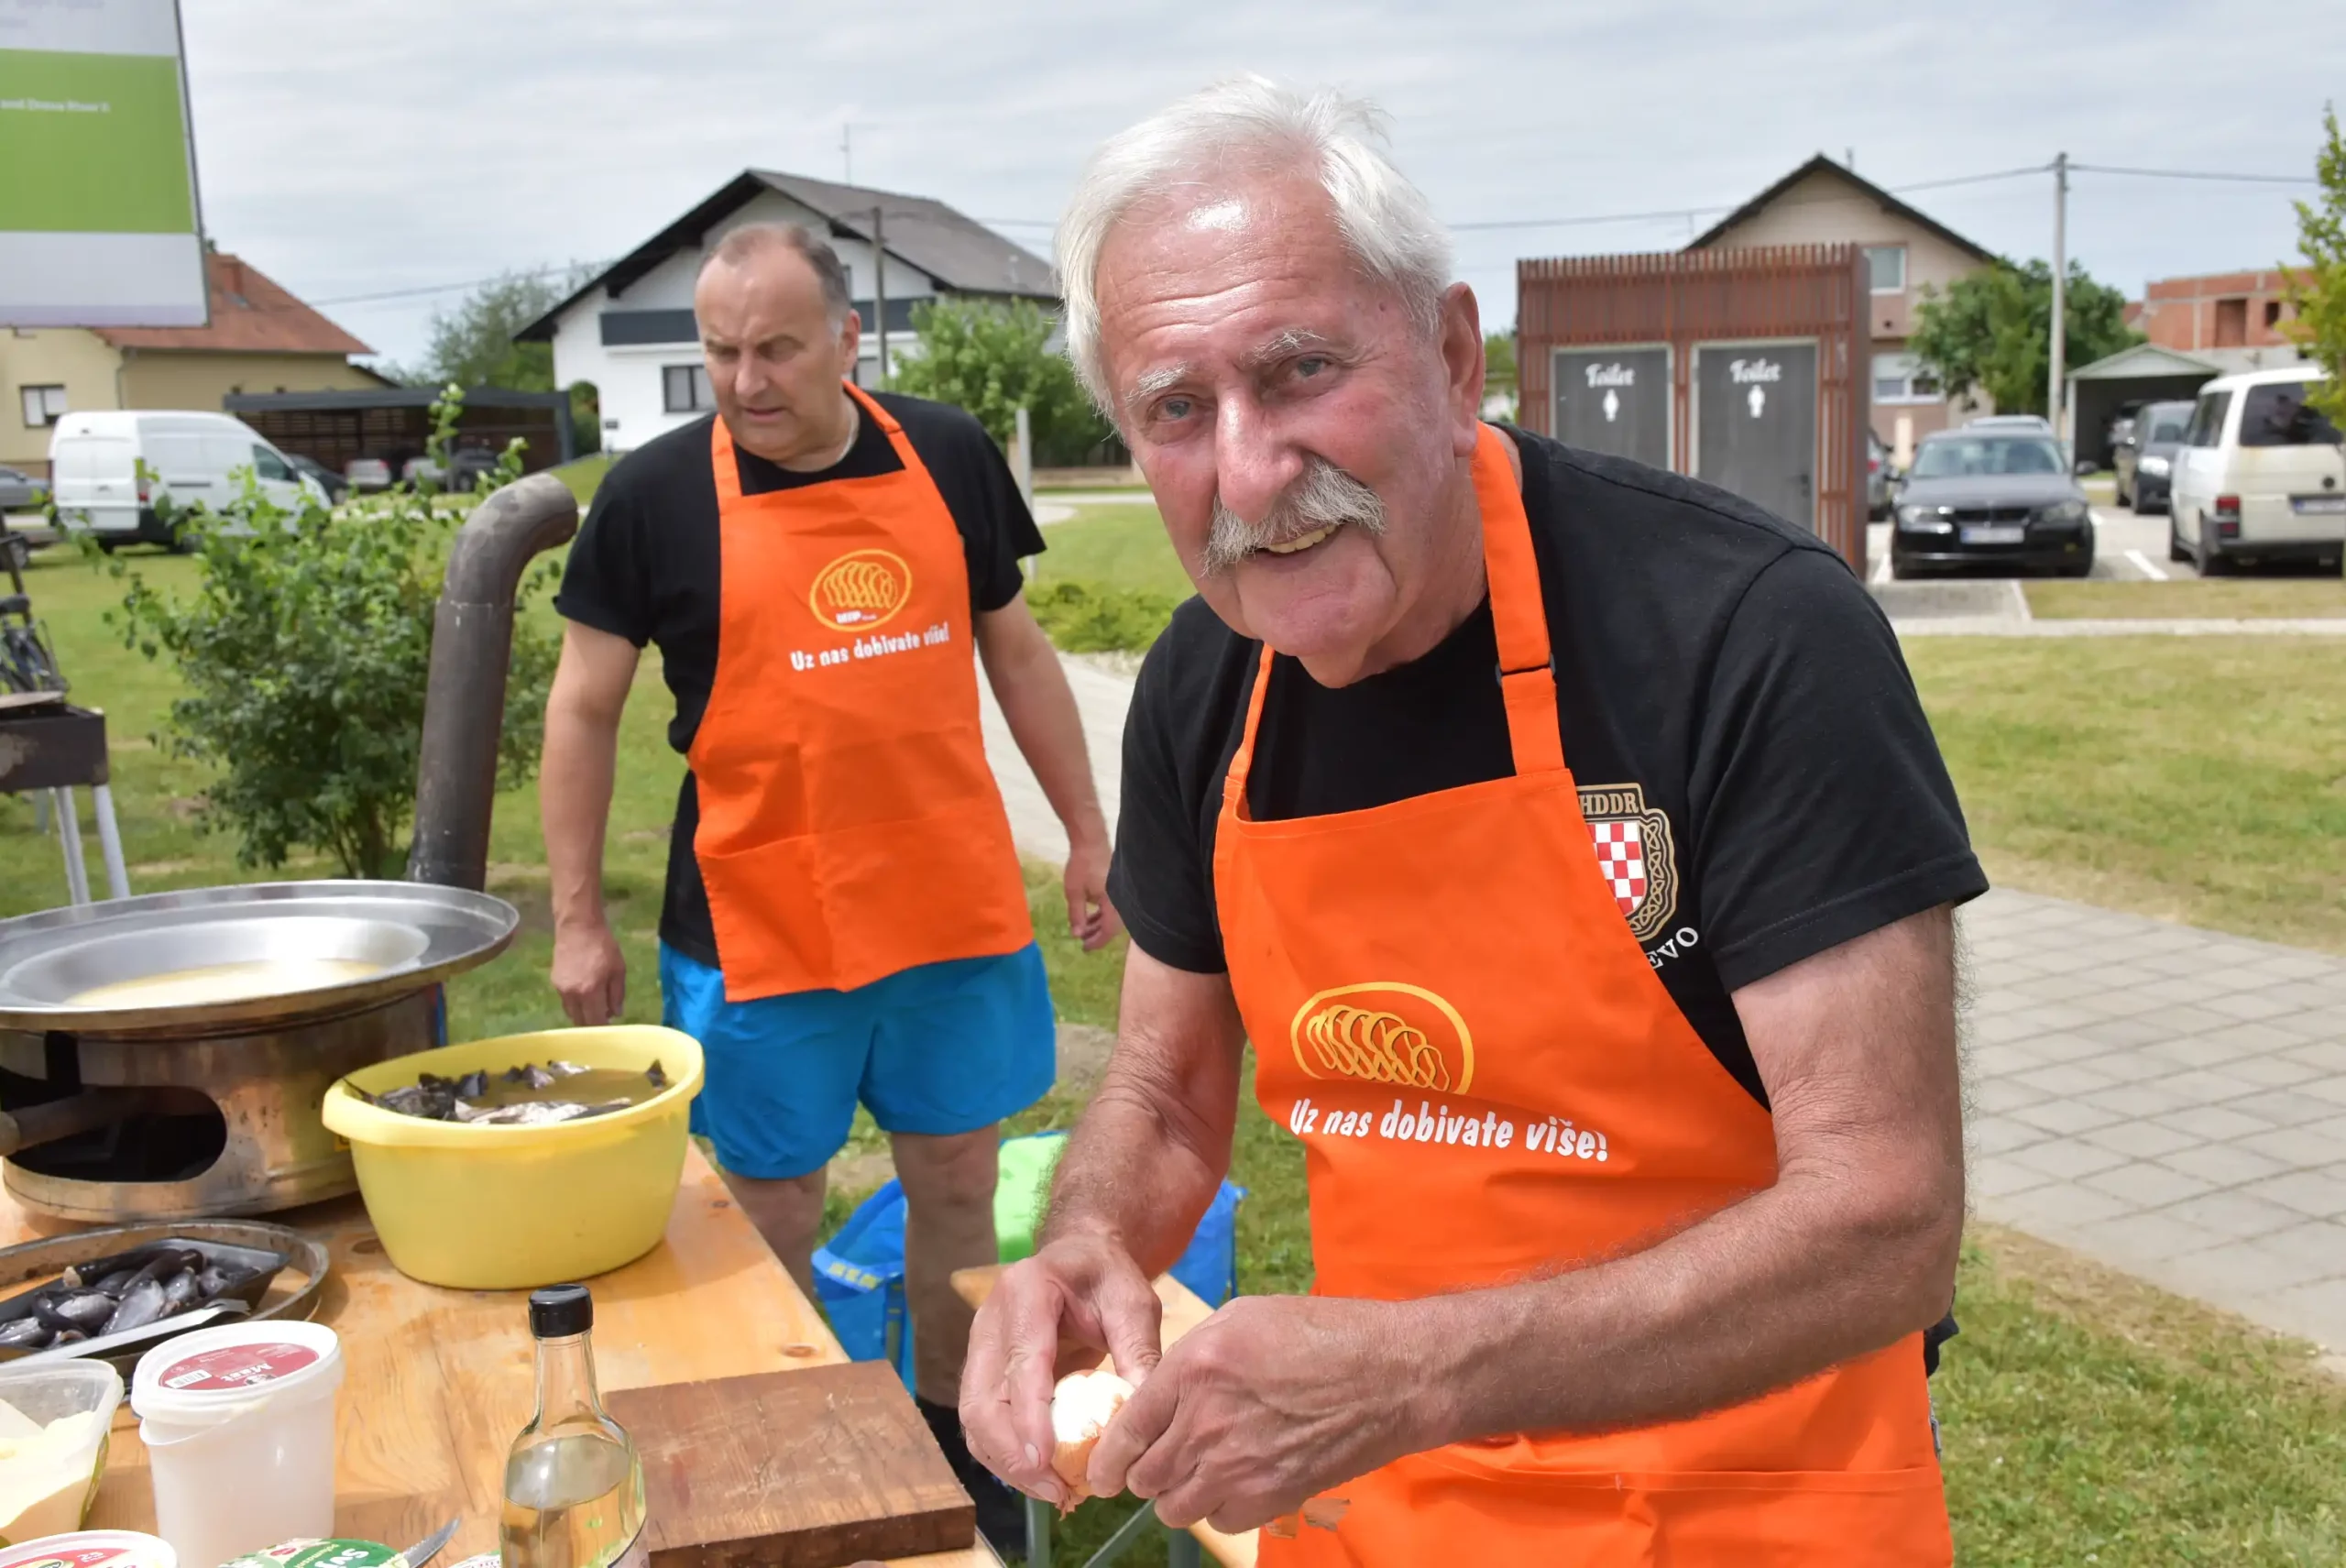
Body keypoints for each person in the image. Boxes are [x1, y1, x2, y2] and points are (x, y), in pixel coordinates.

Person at [959, 79, 1979, 1563]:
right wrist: (1091, 1236)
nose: (1249, 472)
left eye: (1299, 371)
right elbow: (1171, 1093)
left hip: (1758, 1497)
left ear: (1449, 356)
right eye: (1177, 408)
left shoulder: (1741, 635)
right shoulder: (1205, 684)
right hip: (1390, 1501)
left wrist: (1414, 1370)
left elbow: (1886, 1215)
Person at [540, 222, 1116, 1547]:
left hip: (947, 906)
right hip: (759, 920)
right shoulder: (655, 496)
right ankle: (781, 1467)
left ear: (851, 340)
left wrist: (1087, 829)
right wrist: (577, 914)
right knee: (771, 1201)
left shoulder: (946, 451)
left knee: (959, 1182)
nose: (745, 380)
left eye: (777, 348)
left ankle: (964, 1451)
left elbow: (1017, 655)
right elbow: (580, 712)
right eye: (722, 351)